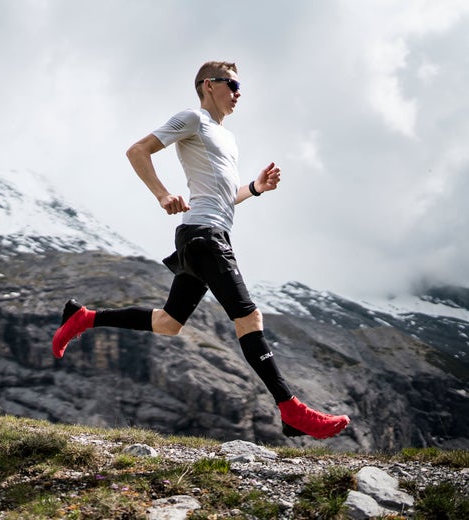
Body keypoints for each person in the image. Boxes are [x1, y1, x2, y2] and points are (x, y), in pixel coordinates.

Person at [52, 60, 350, 440]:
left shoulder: (227, 137)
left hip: (208, 234)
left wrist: (254, 188)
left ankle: (84, 318)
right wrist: (163, 194)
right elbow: (137, 151)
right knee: (249, 318)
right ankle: (291, 410)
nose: (239, 92)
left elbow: (223, 197)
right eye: (233, 84)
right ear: (209, 84)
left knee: (168, 324)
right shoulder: (192, 119)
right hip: (203, 235)